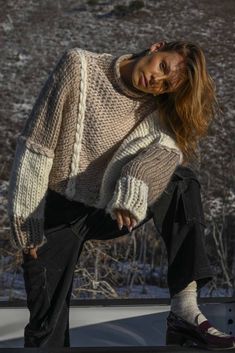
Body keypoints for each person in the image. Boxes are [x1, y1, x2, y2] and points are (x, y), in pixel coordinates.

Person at [7, 40, 235, 349]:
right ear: (156, 47)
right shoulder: (79, 67)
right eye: (163, 67)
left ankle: (184, 307)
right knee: (47, 330)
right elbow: (37, 146)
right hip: (55, 213)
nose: (157, 81)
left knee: (182, 181)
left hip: (110, 208)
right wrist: (27, 224)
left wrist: (134, 184)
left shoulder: (157, 106)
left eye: (166, 84)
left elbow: (165, 154)